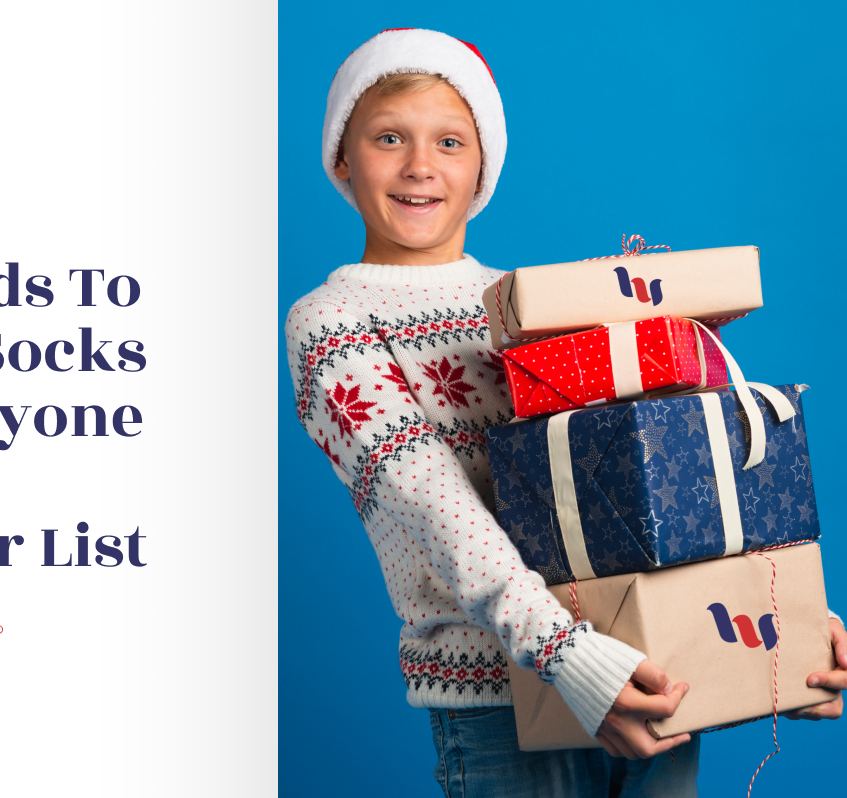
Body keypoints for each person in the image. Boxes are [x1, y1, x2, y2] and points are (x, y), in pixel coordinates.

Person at [283, 28, 846, 797]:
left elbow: (653, 476)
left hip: (649, 667)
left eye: (450, 141)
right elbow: (432, 500)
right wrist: (568, 656)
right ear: (343, 160)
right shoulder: (330, 323)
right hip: (508, 703)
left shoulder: (533, 306)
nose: (420, 166)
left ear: (483, 167)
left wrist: (784, 611)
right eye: (389, 138)